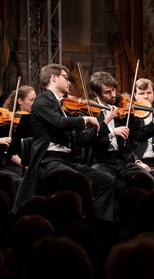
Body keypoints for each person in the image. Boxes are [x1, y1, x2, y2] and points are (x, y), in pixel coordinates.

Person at [13, 63, 114, 222]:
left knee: (105, 181)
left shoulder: (61, 107)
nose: (69, 83)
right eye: (66, 78)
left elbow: (80, 140)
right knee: (79, 183)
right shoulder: (42, 101)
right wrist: (85, 119)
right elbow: (60, 123)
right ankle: (74, 225)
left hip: (64, 161)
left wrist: (104, 125)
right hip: (47, 162)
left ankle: (100, 225)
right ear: (53, 78)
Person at [83, 71, 154, 197]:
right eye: (107, 92)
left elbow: (138, 137)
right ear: (96, 93)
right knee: (108, 182)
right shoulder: (88, 111)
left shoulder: (122, 108)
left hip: (123, 160)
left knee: (151, 183)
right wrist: (111, 130)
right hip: (101, 160)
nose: (113, 95)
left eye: (114, 90)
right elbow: (86, 139)